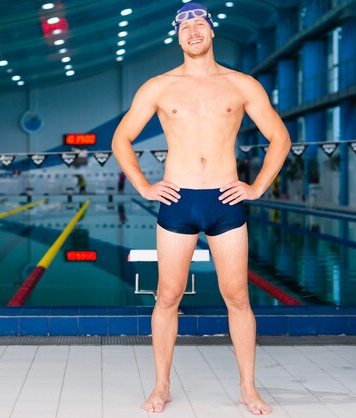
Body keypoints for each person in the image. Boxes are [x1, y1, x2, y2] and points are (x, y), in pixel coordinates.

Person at [111, 2, 290, 416]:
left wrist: (258, 186)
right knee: (168, 296)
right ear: (177, 36)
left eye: (199, 24)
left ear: (212, 31)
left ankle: (248, 388)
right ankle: (161, 387)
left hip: (226, 201)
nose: (192, 31)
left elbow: (279, 138)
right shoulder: (158, 87)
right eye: (184, 26)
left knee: (238, 298)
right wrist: (143, 185)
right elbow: (121, 139)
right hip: (179, 200)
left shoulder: (241, 84)